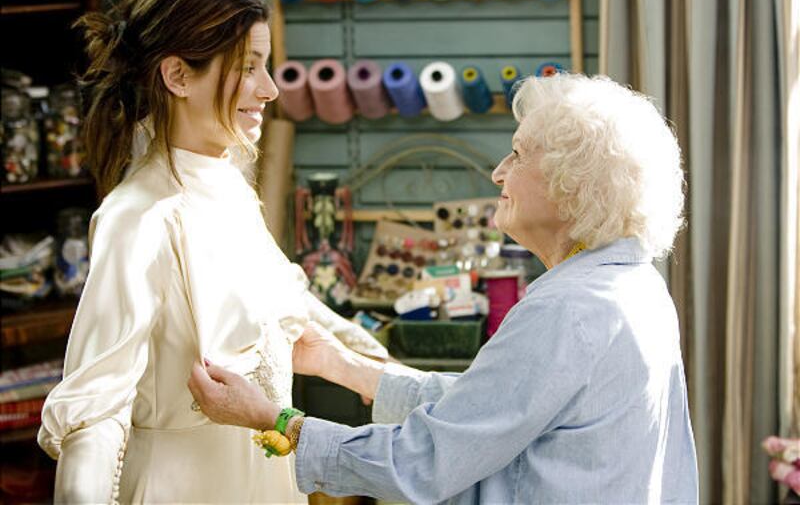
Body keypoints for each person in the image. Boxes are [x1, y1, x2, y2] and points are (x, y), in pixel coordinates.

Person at [189, 73, 700, 503]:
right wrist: (342, 365)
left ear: (572, 183)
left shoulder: (569, 309)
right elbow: (489, 408)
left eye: (517, 155)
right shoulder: (632, 285)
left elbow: (424, 461)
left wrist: (271, 418)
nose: (499, 173)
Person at [37, 0, 386, 503]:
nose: (269, 89)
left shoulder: (228, 185)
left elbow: (289, 308)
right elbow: (95, 412)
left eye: (266, 66)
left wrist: (387, 377)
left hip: (265, 483)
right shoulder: (140, 217)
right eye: (248, 68)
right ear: (178, 75)